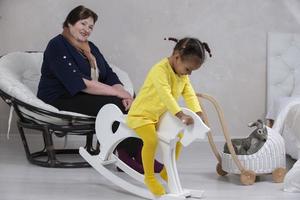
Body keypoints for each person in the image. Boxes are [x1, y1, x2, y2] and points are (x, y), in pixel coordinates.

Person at [37, 5, 157, 173]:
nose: (87, 29)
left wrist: (125, 94)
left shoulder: (90, 47)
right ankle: (125, 154)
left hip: (80, 93)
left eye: (91, 27)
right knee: (113, 105)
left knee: (131, 104)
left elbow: (109, 75)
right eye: (83, 23)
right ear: (70, 23)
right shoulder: (57, 45)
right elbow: (79, 82)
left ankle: (140, 153)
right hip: (60, 95)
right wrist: (118, 93)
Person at [126, 37, 212, 196]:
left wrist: (198, 114)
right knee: (151, 140)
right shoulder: (159, 70)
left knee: (178, 135)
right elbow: (166, 96)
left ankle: (166, 171)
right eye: (188, 69)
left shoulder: (182, 76)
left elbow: (189, 94)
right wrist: (180, 114)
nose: (189, 73)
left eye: (192, 71)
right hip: (141, 115)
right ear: (177, 57)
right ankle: (149, 177)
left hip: (158, 116)